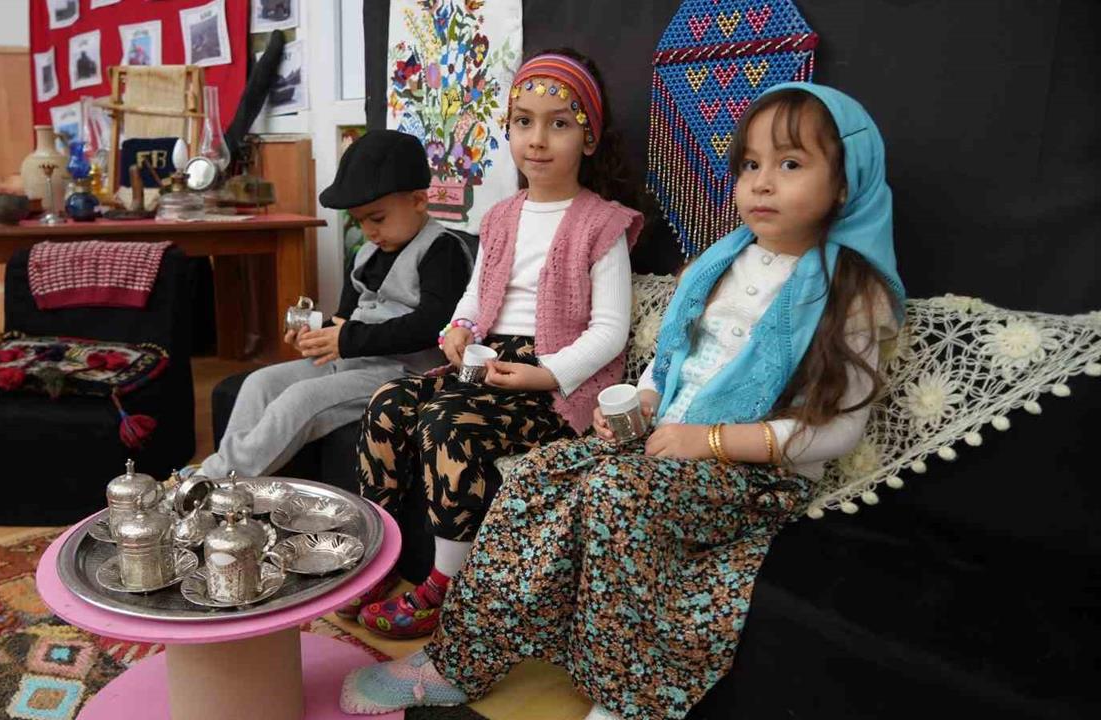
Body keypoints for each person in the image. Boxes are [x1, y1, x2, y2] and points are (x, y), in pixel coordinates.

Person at [340, 82, 905, 719]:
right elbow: (671, 366)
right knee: (536, 476)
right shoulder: (719, 264)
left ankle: (624, 702)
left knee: (615, 493)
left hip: (756, 475)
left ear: (847, 182)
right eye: (750, 165)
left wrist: (709, 441)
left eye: (791, 164)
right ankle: (456, 660)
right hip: (667, 448)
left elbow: (835, 431)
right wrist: (637, 405)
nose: (763, 183)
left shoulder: (852, 293)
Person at [344, 49, 646, 639]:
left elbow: (611, 331)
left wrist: (547, 373)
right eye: (523, 121)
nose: (538, 139)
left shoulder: (601, 224)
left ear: (588, 138)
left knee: (446, 427)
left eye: (560, 124)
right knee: (387, 404)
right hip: (487, 366)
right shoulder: (502, 216)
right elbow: (476, 296)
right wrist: (458, 329)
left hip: (550, 384)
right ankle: (380, 554)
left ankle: (445, 586)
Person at [197, 130, 472, 479]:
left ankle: (212, 481)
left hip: (406, 374)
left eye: (377, 218)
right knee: (259, 383)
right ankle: (225, 473)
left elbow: (432, 325)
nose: (369, 231)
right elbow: (344, 320)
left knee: (300, 399)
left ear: (418, 200)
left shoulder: (442, 250)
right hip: (353, 361)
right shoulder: (366, 254)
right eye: (360, 221)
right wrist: (315, 334)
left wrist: (346, 339)